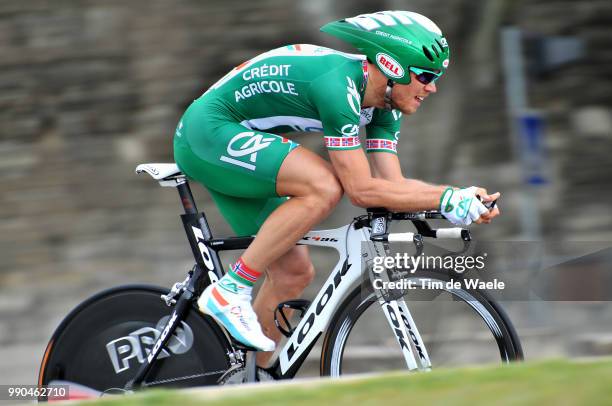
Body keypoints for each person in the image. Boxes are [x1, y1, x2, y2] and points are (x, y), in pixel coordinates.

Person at [173, 11, 500, 363]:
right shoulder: (338, 88)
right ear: (392, 67)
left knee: (292, 274)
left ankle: (249, 382)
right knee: (325, 185)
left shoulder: (386, 108)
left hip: (234, 140)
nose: (432, 87)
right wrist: (446, 197)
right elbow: (360, 190)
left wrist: (456, 201)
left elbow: (392, 187)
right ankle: (230, 289)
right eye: (425, 75)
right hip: (206, 133)